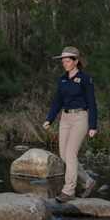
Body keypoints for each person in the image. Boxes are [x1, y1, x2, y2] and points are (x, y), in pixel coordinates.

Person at [42, 46, 98, 203]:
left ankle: (69, 190)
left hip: (81, 117)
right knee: (64, 156)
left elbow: (92, 103)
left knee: (71, 154)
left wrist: (93, 125)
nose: (64, 63)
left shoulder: (85, 79)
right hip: (65, 118)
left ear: (76, 61)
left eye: (67, 61)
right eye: (63, 61)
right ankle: (88, 181)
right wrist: (49, 119)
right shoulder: (62, 79)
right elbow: (57, 101)